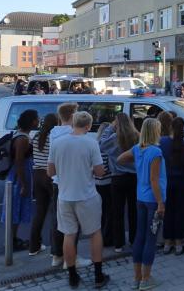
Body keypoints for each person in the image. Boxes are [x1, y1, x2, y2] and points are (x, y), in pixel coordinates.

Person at [47, 111, 109, 289]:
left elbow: (50, 172)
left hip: (65, 196)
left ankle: (72, 276)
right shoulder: (90, 142)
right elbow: (99, 172)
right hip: (86, 195)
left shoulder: (57, 143)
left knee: (69, 234)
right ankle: (98, 275)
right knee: (95, 233)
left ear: (72, 123)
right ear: (89, 126)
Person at [117, 118, 167, 291]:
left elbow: (120, 159)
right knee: (150, 239)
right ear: (155, 132)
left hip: (140, 197)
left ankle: (136, 277)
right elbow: (154, 180)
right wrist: (161, 202)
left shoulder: (138, 149)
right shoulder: (155, 152)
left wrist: (138, 164)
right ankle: (146, 279)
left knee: (140, 236)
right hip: (153, 200)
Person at [49, 102, 92, 268]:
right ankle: (71, 258)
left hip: (57, 182)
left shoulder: (54, 133)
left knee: (57, 220)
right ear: (73, 115)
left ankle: (57, 255)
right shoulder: (75, 134)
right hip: (74, 182)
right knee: (73, 223)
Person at [99, 113, 139, 253]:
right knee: (134, 211)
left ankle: (118, 243)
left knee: (117, 211)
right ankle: (134, 240)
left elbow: (101, 144)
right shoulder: (137, 136)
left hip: (117, 177)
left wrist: (110, 127)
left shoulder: (114, 138)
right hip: (134, 177)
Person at [2, 109, 37, 252]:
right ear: (31, 121)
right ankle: (10, 241)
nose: (38, 121)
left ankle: (13, 238)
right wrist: (23, 184)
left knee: (16, 208)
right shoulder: (22, 138)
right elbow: (19, 161)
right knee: (14, 208)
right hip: (18, 177)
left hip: (19, 175)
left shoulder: (21, 134)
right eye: (36, 119)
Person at [160, 117, 184, 255]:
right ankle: (179, 243)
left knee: (168, 212)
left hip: (166, 182)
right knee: (181, 212)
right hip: (183, 183)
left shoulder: (162, 143)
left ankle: (167, 242)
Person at [29, 113, 58, 255]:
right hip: (49, 175)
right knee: (56, 212)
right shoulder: (53, 138)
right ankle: (56, 249)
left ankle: (34, 246)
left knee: (40, 212)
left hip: (37, 175)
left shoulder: (36, 137)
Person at [94, 122, 113, 248]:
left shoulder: (94, 146)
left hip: (96, 184)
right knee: (108, 212)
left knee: (99, 212)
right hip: (107, 182)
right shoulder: (107, 148)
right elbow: (109, 167)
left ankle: (98, 237)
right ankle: (107, 238)